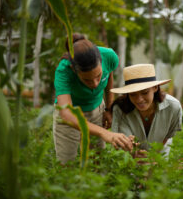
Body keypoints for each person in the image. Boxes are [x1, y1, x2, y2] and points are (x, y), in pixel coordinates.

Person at [53, 33, 132, 164]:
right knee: (66, 165)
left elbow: (109, 74)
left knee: (97, 162)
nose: (95, 84)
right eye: (87, 80)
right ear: (74, 70)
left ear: (102, 61)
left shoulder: (109, 56)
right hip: (70, 115)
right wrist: (104, 133)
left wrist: (109, 108)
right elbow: (66, 114)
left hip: (96, 110)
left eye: (98, 75)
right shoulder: (63, 70)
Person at [110, 64, 182, 157]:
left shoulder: (173, 107)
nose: (139, 99)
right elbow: (121, 143)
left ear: (155, 88)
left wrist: (153, 156)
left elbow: (168, 136)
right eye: (133, 94)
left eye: (145, 93)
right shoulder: (120, 109)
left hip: (160, 156)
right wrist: (133, 150)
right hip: (130, 159)